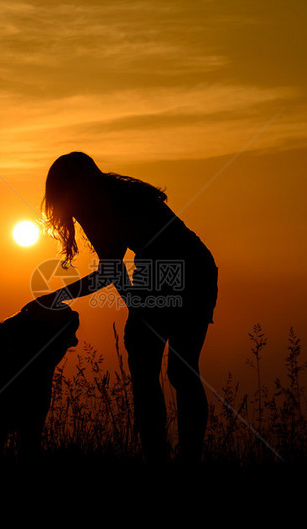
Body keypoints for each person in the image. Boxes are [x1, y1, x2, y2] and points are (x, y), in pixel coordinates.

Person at [27, 152, 218, 464]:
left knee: (179, 372)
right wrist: (139, 310)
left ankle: (186, 463)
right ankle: (161, 460)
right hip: (163, 271)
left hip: (192, 271)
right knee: (151, 371)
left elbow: (110, 271)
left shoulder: (105, 200)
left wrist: (56, 297)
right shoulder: (94, 201)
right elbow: (113, 269)